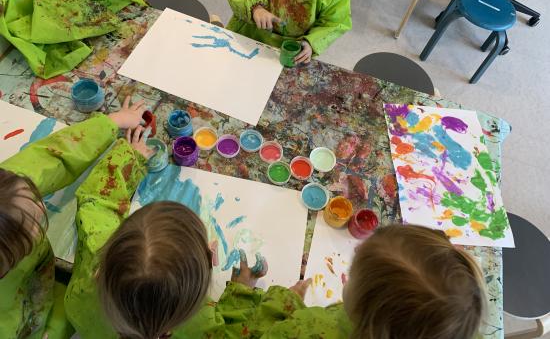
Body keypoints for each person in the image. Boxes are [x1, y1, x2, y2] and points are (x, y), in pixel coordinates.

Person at [0, 97, 146, 339]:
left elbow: (52, 158)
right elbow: (97, 205)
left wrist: (111, 122)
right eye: (34, 223)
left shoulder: (7, 191)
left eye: (34, 196)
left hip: (48, 287)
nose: (42, 207)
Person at [187, 224, 487, 339]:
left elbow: (240, 335)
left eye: (353, 275)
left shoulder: (308, 330)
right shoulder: (450, 328)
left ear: (366, 313)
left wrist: (270, 298)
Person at [64, 127, 215, 339]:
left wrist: (131, 156)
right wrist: (241, 289)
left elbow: (95, 199)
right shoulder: (203, 324)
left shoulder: (94, 247)